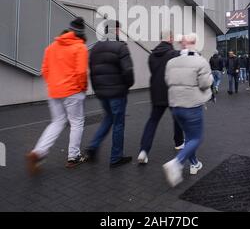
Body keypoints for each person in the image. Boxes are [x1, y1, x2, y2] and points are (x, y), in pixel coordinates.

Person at [26, 18, 88, 175]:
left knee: (57, 122)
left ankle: (38, 152)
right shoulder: (80, 47)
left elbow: (45, 70)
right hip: (73, 91)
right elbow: (81, 73)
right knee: (76, 122)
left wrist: (53, 84)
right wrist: (83, 88)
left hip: (54, 91)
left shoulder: (51, 47)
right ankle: (73, 157)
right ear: (80, 33)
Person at [163, 34, 213, 187]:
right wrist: (210, 78)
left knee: (189, 138)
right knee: (196, 138)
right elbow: (205, 84)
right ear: (194, 43)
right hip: (192, 106)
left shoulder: (171, 62)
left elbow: (167, 81)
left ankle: (194, 164)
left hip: (175, 106)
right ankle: (177, 162)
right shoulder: (200, 61)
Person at [85, 20, 134, 168]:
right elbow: (128, 71)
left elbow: (91, 71)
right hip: (118, 93)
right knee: (118, 123)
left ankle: (93, 146)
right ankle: (116, 157)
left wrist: (97, 89)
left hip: (102, 93)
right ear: (116, 30)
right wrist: (127, 85)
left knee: (108, 119)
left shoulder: (95, 48)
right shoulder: (121, 46)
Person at [137, 31, 184, 165]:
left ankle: (143, 151)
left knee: (152, 121)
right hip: (171, 91)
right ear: (170, 38)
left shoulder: (152, 55)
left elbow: (154, 72)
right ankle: (179, 142)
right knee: (177, 118)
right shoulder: (174, 54)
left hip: (156, 92)